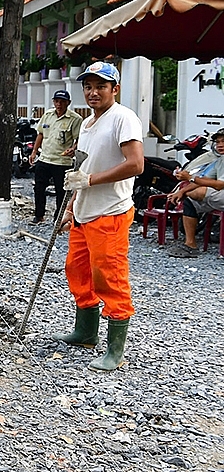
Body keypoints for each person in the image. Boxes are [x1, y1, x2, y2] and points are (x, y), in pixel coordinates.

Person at [54, 61, 144, 372]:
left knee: (109, 277)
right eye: (89, 86)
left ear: (114, 89)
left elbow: (136, 164)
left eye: (101, 86)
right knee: (77, 271)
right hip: (83, 212)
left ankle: (115, 350)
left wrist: (89, 181)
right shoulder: (89, 123)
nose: (93, 92)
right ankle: (86, 332)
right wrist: (70, 206)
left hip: (110, 212)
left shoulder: (123, 119)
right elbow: (84, 169)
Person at [166, 128, 224, 258]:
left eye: (223, 141)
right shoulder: (220, 160)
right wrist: (182, 191)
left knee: (196, 193)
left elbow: (220, 185)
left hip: (221, 192)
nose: (220, 145)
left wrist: (190, 179)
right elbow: (204, 180)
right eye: (218, 142)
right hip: (220, 197)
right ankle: (190, 244)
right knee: (190, 201)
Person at [29, 89, 83, 224]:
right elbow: (40, 134)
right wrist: (34, 151)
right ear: (53, 102)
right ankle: (39, 215)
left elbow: (79, 139)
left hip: (62, 161)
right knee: (39, 188)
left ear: (68, 103)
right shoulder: (47, 115)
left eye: (62, 102)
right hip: (45, 158)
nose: (59, 104)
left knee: (61, 191)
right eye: (57, 101)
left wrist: (73, 149)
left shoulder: (75, 119)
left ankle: (58, 218)